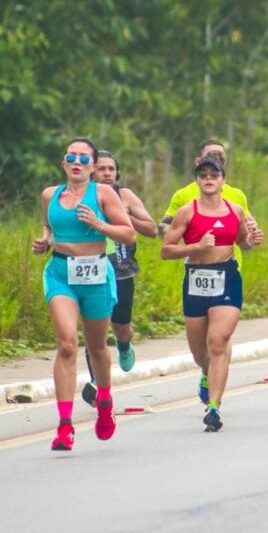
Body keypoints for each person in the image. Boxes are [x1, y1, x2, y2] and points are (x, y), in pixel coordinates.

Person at [32, 137, 134, 451]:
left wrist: (99, 224)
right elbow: (49, 227)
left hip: (95, 273)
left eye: (83, 158)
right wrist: (45, 241)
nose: (77, 162)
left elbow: (127, 232)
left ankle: (104, 400)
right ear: (64, 163)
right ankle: (65, 426)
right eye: (71, 157)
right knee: (66, 344)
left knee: (97, 348)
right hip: (61, 273)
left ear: (91, 166)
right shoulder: (50, 195)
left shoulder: (102, 193)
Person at [160, 155, 263, 432]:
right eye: (203, 174)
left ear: (223, 180)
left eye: (213, 175)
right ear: (197, 180)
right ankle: (207, 373)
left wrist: (252, 240)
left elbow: (244, 242)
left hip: (227, 277)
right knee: (199, 352)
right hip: (195, 280)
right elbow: (166, 250)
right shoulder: (187, 212)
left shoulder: (236, 210)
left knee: (218, 341)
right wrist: (194, 247)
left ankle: (214, 408)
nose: (208, 179)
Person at [81, 150, 158, 406]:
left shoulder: (125, 196)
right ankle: (97, 385)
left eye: (110, 170)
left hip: (121, 271)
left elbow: (152, 229)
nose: (106, 174)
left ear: (117, 174)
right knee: (94, 332)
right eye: (101, 169)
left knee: (121, 326)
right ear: (91, 171)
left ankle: (124, 345)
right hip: (90, 271)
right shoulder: (80, 198)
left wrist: (125, 216)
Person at [159, 138, 251, 239]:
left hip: (231, 254)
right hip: (197, 253)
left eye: (221, 158)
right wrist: (186, 230)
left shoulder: (237, 194)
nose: (216, 162)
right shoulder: (183, 195)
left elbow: (248, 229)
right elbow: (163, 227)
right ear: (198, 161)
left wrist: (251, 231)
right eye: (211, 157)